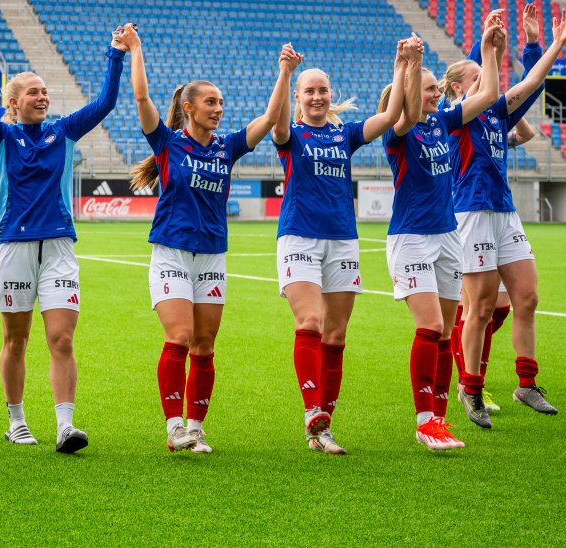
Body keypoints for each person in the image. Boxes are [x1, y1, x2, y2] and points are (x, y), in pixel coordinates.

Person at [0, 23, 127, 454]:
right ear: (14, 102)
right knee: (16, 339)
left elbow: (106, 102)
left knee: (63, 338)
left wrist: (115, 52)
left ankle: (65, 426)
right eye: (33, 92)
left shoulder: (65, 131)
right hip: (14, 244)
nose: (43, 97)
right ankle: (16, 421)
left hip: (58, 246)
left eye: (45, 92)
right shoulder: (2, 136)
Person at [128, 39, 299, 454]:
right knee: (181, 336)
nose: (218, 108)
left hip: (212, 254)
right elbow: (142, 96)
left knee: (205, 344)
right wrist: (135, 49)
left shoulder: (227, 147)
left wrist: (285, 72)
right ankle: (173, 428)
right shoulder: (168, 143)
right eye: (210, 102)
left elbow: (269, 118)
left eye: (220, 102)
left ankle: (195, 427)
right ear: (189, 108)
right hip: (171, 250)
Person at [273, 38, 409, 455]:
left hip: (343, 242)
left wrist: (401, 65)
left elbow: (389, 115)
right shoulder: (291, 134)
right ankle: (312, 408)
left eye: (322, 90)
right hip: (299, 237)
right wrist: (286, 72)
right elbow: (276, 124)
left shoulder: (344, 134)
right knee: (310, 322)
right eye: (309, 91)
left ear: (330, 96)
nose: (317, 96)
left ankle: (323, 427)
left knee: (335, 334)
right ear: (299, 97)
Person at [444, 6, 566, 423]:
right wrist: (490, 49)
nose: (488, 84)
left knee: (527, 298)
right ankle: (471, 388)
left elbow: (532, 84)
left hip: (505, 213)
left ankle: (525, 383)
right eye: (478, 79)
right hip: (472, 214)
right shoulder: (455, 117)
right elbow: (498, 84)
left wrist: (550, 43)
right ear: (458, 87)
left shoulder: (496, 114)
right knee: (480, 308)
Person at [380, 25, 499, 450]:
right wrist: (409, 66)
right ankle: (424, 420)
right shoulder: (400, 130)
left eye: (435, 89)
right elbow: (408, 111)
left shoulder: (443, 123)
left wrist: (488, 50)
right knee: (430, 326)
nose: (433, 95)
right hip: (411, 238)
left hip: (449, 237)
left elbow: (486, 96)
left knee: (446, 334)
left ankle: (441, 419)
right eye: (428, 88)